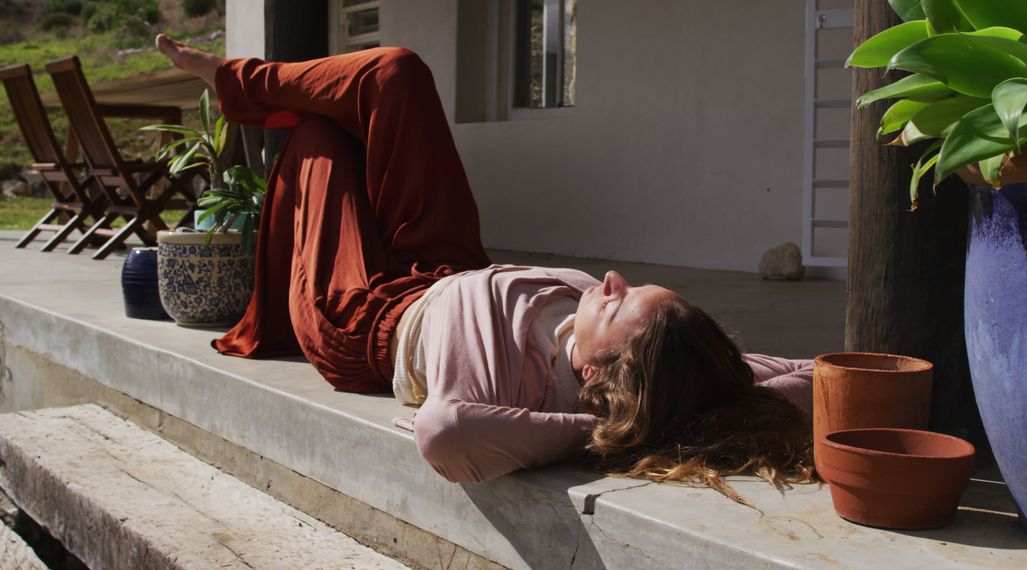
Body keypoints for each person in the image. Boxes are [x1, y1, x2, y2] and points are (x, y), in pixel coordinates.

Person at [154, 36, 816, 499]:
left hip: (367, 319)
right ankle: (239, 81)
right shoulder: (684, 367)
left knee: (318, 139)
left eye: (616, 304)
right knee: (397, 72)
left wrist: (613, 433)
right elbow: (808, 378)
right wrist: (690, 410)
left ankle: (252, 89)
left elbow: (447, 436)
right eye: (632, 286)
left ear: (597, 374)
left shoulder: (515, 394)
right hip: (445, 263)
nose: (612, 280)